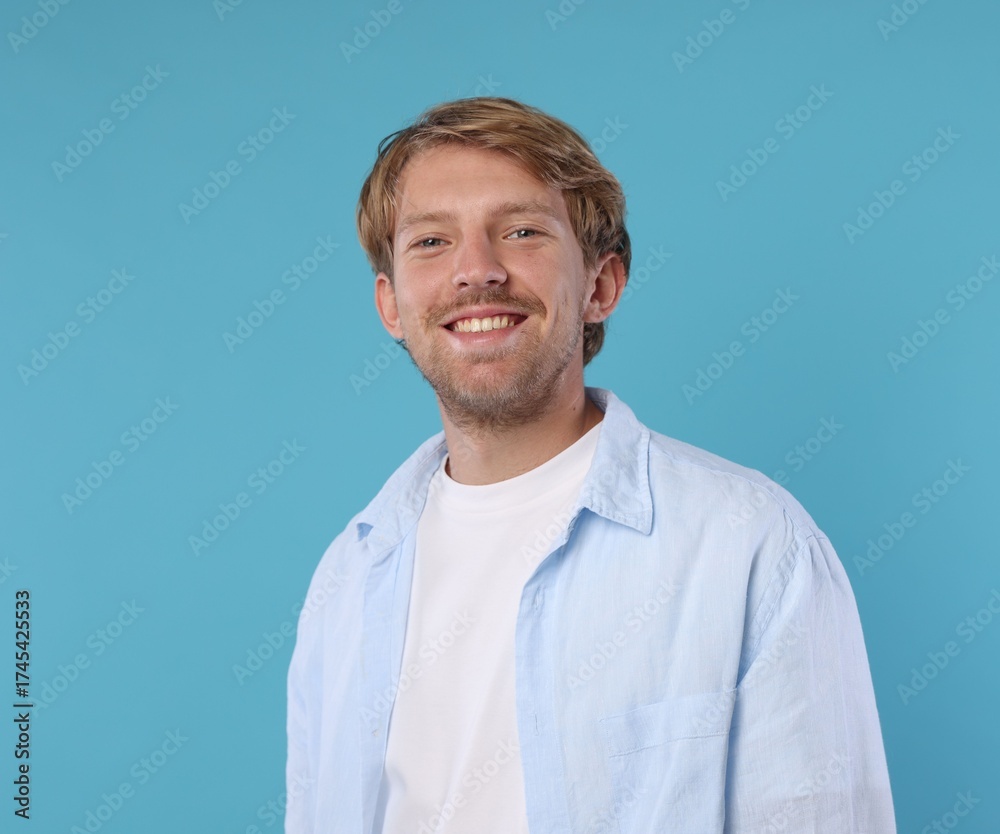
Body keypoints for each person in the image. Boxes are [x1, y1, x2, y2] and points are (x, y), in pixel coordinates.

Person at [285, 96, 896, 833]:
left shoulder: (751, 544)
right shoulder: (348, 579)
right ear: (391, 305)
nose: (476, 271)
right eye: (431, 241)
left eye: (521, 231)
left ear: (600, 287)